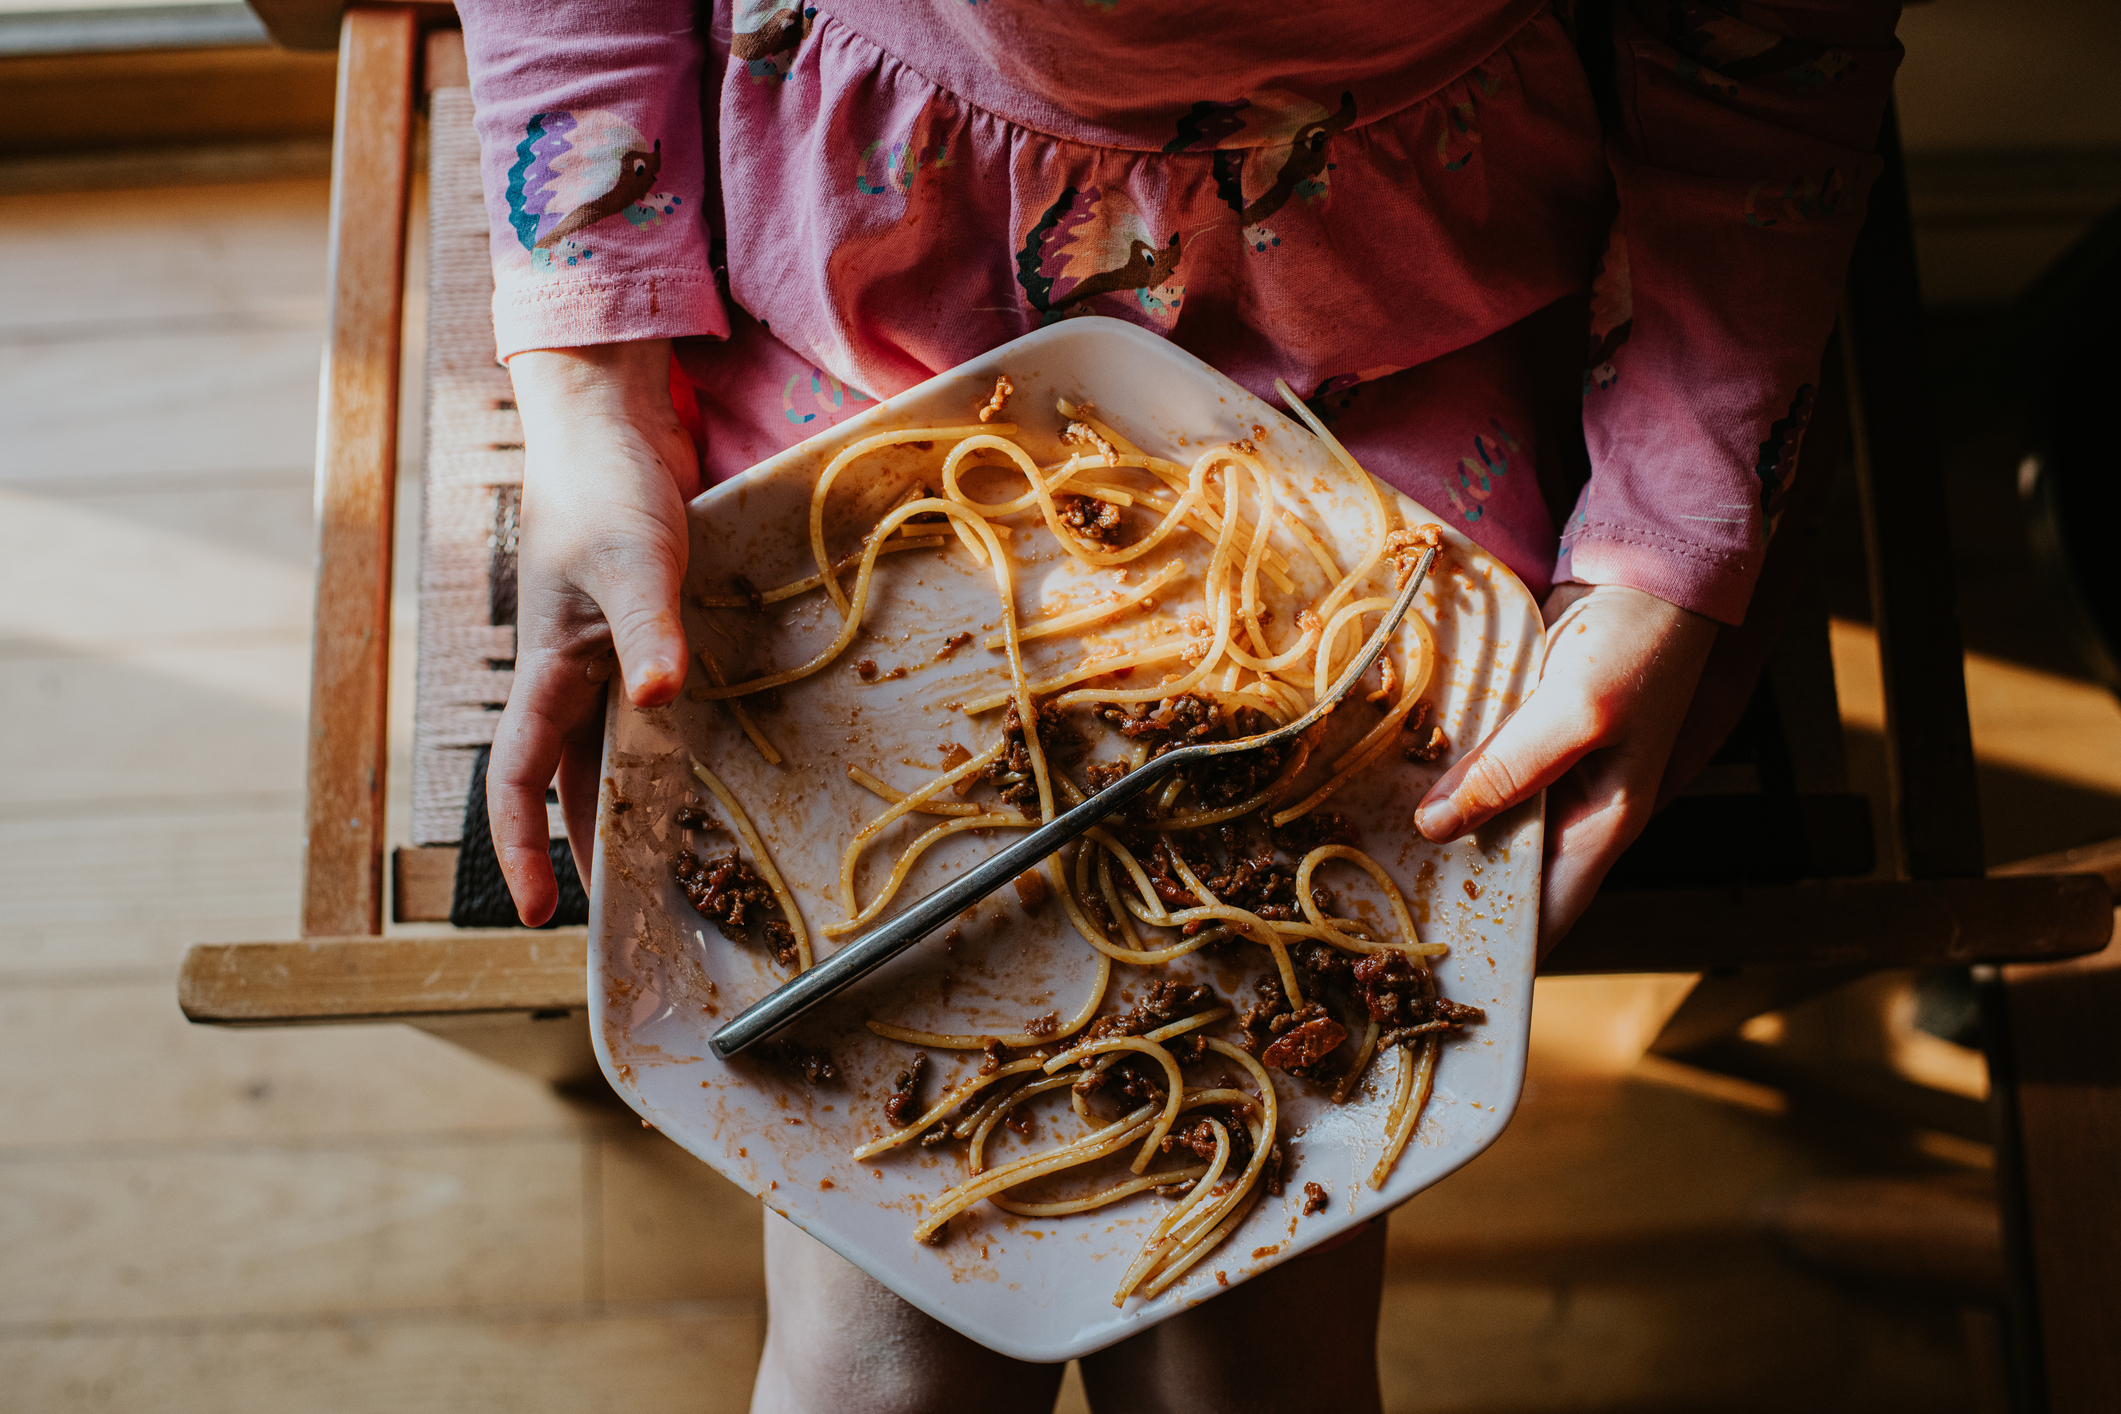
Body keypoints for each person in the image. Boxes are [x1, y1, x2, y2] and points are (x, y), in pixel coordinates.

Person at [456, 2, 1902, 1408]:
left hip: (1408, 311)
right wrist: (593, 401)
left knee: (1251, 1358)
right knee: (880, 1370)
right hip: (872, 265)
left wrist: (1660, 563)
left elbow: (1768, 68)